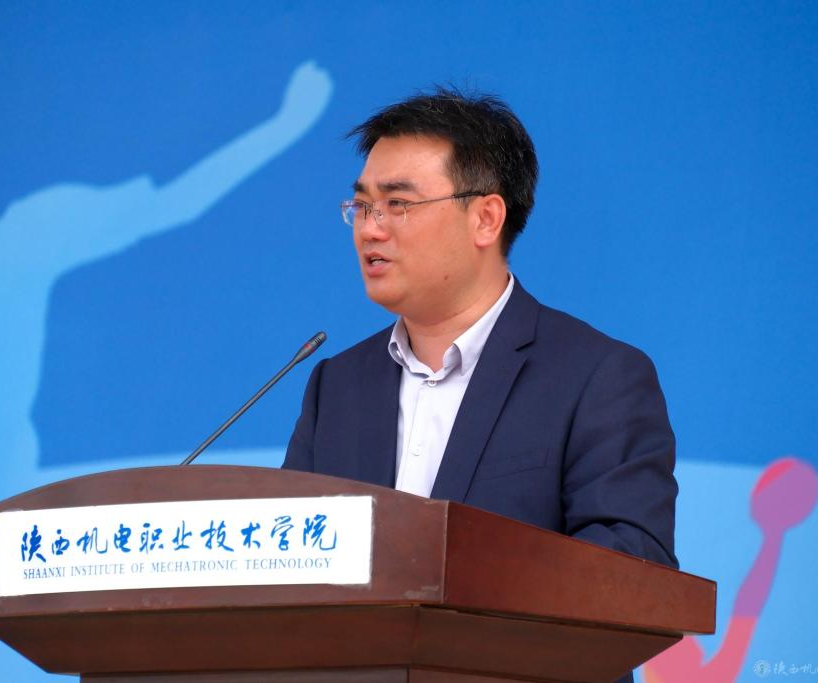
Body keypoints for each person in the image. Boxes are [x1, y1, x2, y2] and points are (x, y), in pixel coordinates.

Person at [283, 87, 677, 571]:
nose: (369, 228)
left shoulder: (596, 379)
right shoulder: (335, 387)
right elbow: (288, 561)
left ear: (486, 219)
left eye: (398, 203)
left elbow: (630, 569)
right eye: (363, 206)